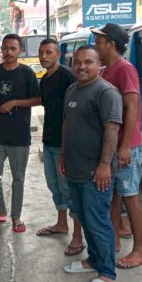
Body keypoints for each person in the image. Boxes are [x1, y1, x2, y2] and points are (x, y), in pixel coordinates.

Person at [59, 45, 122, 282]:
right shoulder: (72, 90)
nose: (82, 66)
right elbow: (67, 125)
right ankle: (94, 260)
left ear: (99, 65)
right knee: (84, 217)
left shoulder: (106, 92)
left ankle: (107, 272)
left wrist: (105, 165)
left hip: (96, 172)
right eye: (77, 62)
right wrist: (62, 154)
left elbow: (112, 129)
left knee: (98, 221)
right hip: (74, 167)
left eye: (88, 62)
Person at [92, 23, 142, 270]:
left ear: (111, 44)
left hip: (128, 146)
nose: (96, 46)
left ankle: (139, 249)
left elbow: (132, 108)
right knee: (113, 196)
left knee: (129, 196)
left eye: (99, 41)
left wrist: (124, 146)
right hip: (112, 146)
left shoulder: (125, 70)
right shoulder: (105, 71)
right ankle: (113, 239)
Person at [0, 34, 40, 233]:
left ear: (20, 50)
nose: (9, 52)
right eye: (5, 48)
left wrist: (15, 102)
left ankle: (16, 217)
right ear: (1, 50)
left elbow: (38, 99)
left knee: (18, 178)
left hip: (20, 135)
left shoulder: (27, 73)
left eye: (13, 48)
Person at [35, 38, 85, 256]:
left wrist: (67, 147)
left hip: (66, 143)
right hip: (49, 140)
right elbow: (45, 104)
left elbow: (73, 113)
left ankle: (77, 236)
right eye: (41, 53)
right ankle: (61, 223)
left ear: (58, 54)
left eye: (49, 52)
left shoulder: (68, 77)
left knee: (69, 189)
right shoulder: (45, 79)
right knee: (54, 186)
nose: (44, 56)